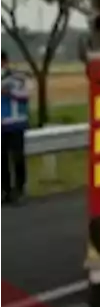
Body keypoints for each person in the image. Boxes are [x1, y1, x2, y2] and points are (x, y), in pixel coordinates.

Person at [0, 50, 31, 205]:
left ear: (4, 61)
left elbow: (25, 96)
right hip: (1, 124)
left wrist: (10, 92)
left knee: (17, 157)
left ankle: (19, 189)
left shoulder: (17, 77)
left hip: (16, 123)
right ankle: (5, 190)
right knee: (2, 160)